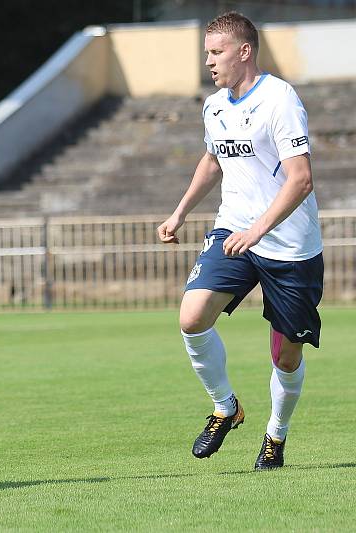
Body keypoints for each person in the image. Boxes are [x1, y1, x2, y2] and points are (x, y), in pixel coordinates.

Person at [158, 12, 322, 470]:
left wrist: (259, 229)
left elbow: (301, 179)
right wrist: (180, 210)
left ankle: (276, 436)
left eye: (217, 52)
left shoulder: (279, 100)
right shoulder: (214, 106)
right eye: (207, 52)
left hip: (289, 244)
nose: (208, 61)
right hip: (234, 230)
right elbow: (213, 160)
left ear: (244, 51)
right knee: (192, 317)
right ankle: (225, 407)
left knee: (286, 357)